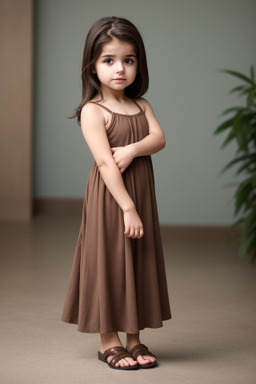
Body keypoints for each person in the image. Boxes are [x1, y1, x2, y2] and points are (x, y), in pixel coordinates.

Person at [62, 16, 171, 371]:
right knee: (109, 260)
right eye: (109, 60)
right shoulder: (93, 111)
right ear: (92, 66)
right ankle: (109, 341)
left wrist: (131, 149)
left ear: (139, 63)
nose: (120, 69)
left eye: (129, 60)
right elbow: (106, 165)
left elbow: (159, 139)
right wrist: (128, 208)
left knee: (137, 260)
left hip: (139, 193)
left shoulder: (142, 105)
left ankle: (134, 337)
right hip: (113, 200)